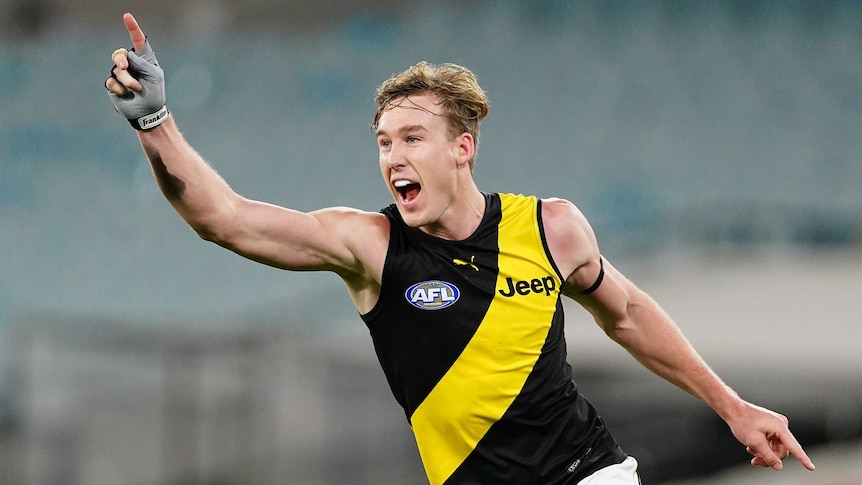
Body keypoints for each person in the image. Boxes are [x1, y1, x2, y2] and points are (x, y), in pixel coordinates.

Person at [105, 12, 815, 485]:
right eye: (384, 141)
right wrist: (156, 122)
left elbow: (626, 313)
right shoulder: (371, 247)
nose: (393, 156)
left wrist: (732, 405)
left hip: (588, 474)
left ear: (462, 148)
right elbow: (224, 218)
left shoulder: (551, 227)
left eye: (412, 137)